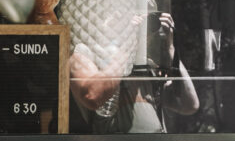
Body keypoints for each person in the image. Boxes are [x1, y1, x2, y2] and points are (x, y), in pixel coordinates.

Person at [69, 12, 199, 133]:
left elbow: (190, 105)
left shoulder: (148, 69)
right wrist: (128, 41)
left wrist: (170, 47)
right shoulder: (95, 60)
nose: (144, 31)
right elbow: (93, 95)